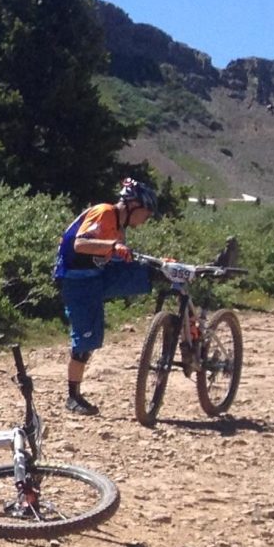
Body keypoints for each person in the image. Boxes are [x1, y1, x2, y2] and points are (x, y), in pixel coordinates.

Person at [54, 176, 159, 415]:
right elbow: (80, 244)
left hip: (96, 274)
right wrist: (113, 247)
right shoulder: (104, 212)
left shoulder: (119, 226)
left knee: (145, 272)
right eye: (146, 213)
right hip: (77, 279)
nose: (146, 220)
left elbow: (108, 253)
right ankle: (73, 397)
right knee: (86, 337)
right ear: (133, 206)